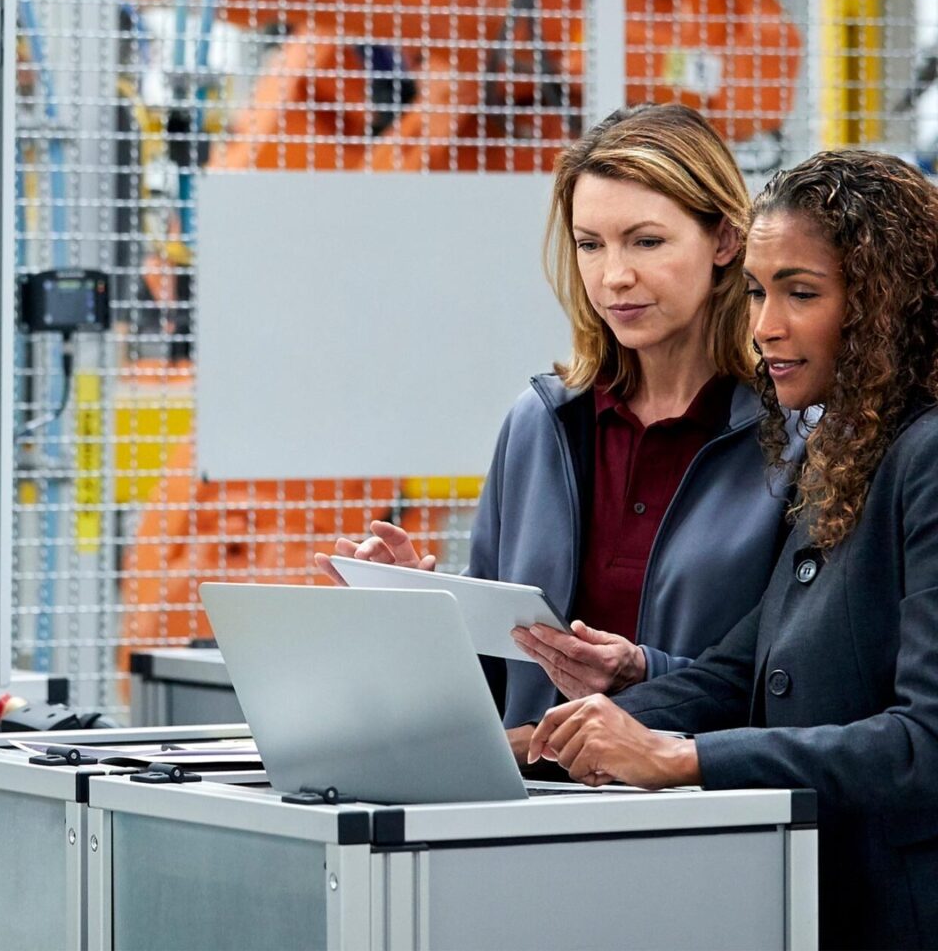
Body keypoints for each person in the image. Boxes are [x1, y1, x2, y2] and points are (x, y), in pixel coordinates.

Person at [529, 149, 938, 949]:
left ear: (886, 303)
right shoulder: (849, 452)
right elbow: (739, 671)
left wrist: (682, 759)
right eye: (757, 291)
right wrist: (549, 739)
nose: (765, 326)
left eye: (801, 293)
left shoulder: (923, 457)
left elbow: (924, 744)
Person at [319, 104, 791, 751]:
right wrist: (415, 615)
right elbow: (489, 684)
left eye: (646, 241)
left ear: (725, 241)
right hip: (535, 801)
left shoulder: (794, 439)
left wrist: (646, 675)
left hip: (712, 802)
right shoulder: (539, 425)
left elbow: (801, 684)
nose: (613, 276)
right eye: (590, 245)